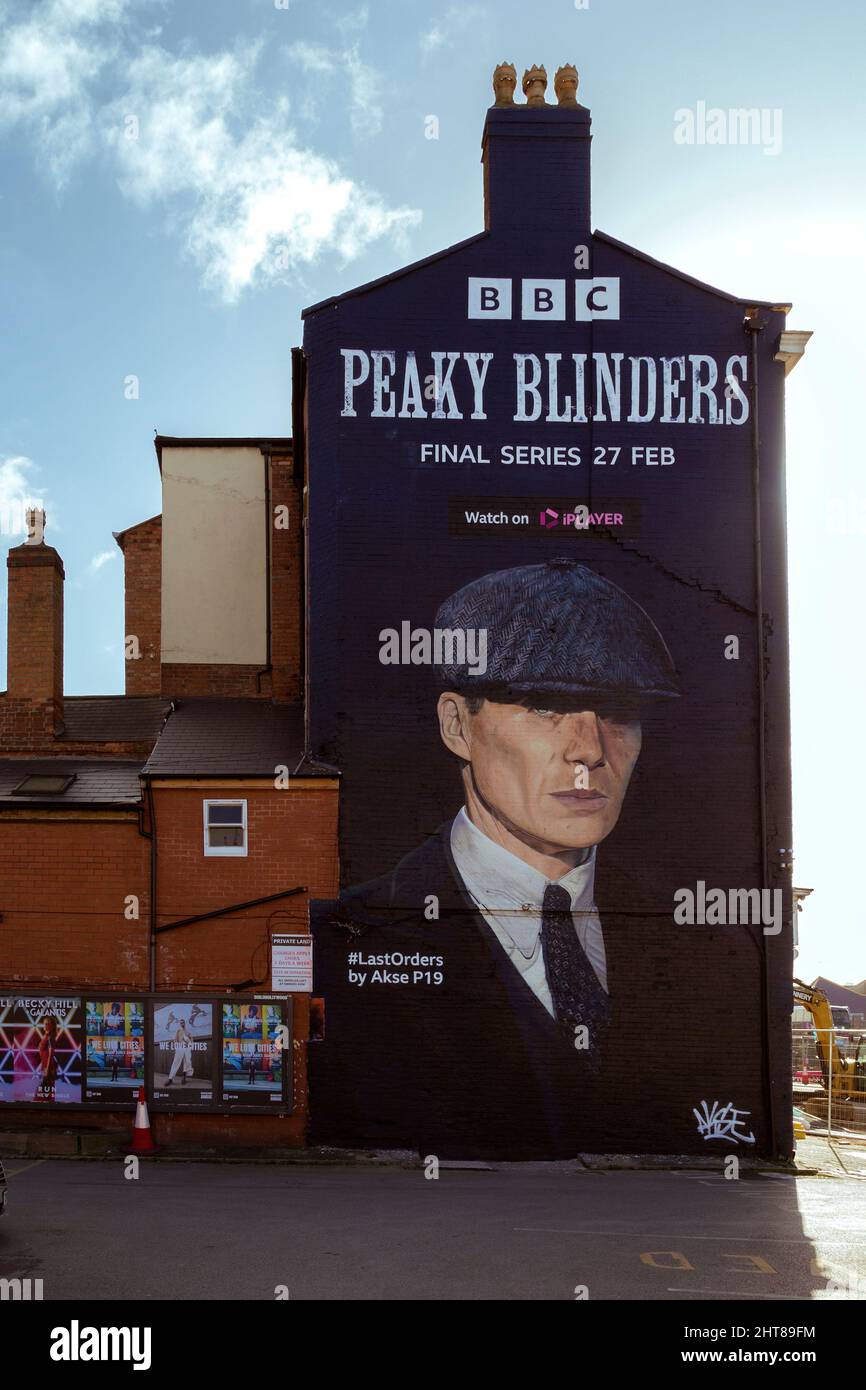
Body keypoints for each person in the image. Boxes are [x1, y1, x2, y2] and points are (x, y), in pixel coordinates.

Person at [311, 559, 689, 1158]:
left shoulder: (689, 933)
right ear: (457, 725)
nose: (590, 751)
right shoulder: (349, 933)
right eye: (543, 706)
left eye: (618, 712)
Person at [164, 1016, 193, 1088]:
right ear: (180, 1024)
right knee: (175, 1062)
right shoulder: (178, 1031)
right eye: (181, 1023)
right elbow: (175, 1039)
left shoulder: (188, 1031)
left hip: (187, 1048)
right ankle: (170, 1079)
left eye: (183, 1022)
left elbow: (191, 1039)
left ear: (184, 1023)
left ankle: (184, 1077)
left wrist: (189, 1044)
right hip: (180, 1047)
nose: (182, 1024)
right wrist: (176, 1046)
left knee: (187, 1062)